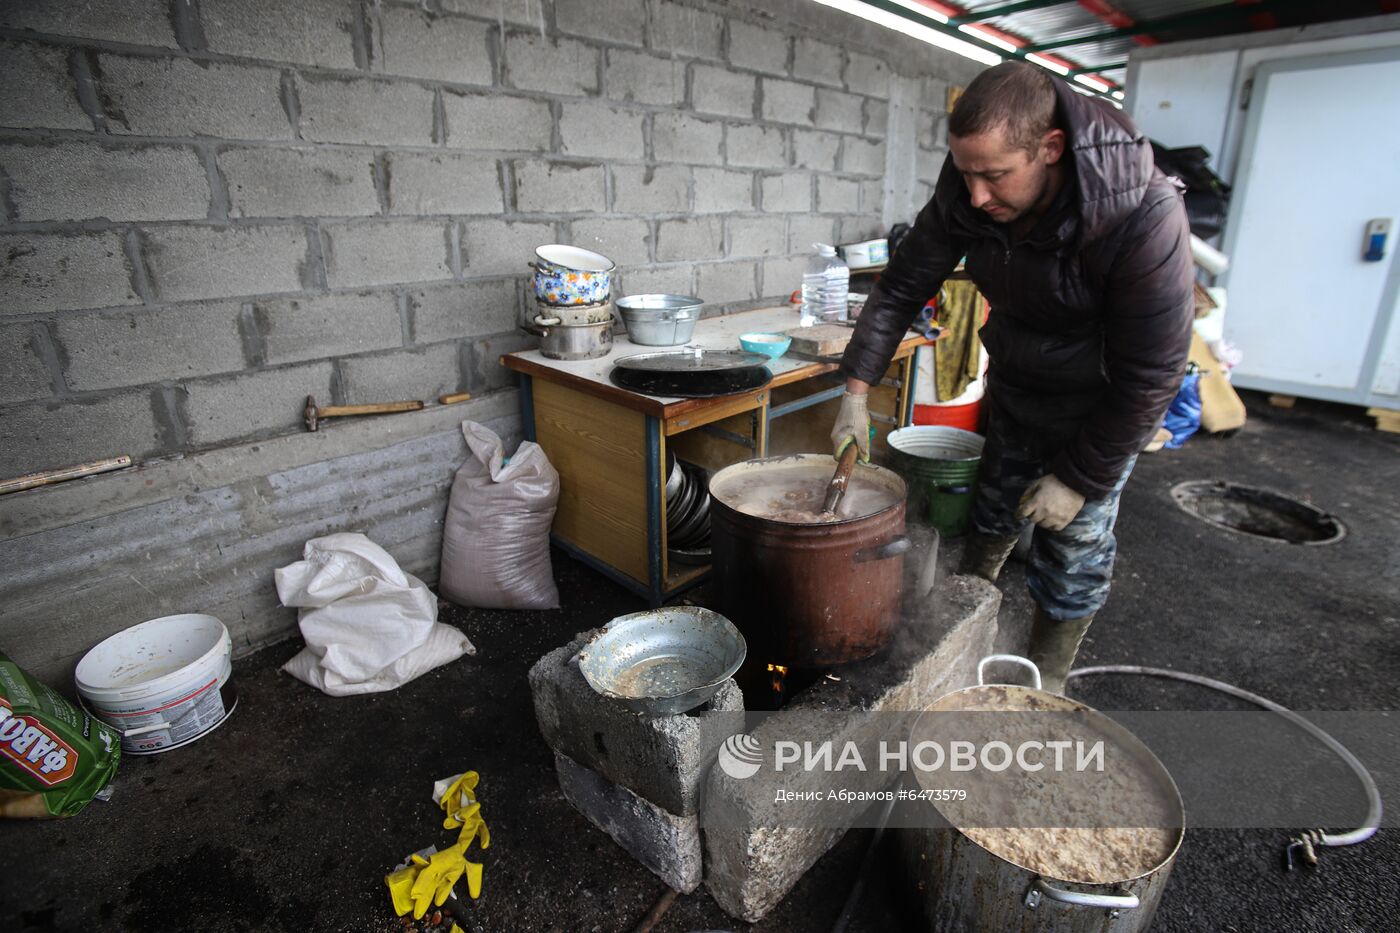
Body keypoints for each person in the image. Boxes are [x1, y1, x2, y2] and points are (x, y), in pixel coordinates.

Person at [831, 62, 1195, 693]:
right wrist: (855, 395)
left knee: (1071, 551)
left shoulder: (1143, 215)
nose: (975, 196)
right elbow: (898, 290)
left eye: (994, 175)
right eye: (966, 172)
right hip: (1018, 391)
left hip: (1099, 413)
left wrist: (1080, 479)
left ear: (1050, 148)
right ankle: (956, 638)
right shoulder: (968, 186)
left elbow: (1153, 373)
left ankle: (1044, 683)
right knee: (991, 516)